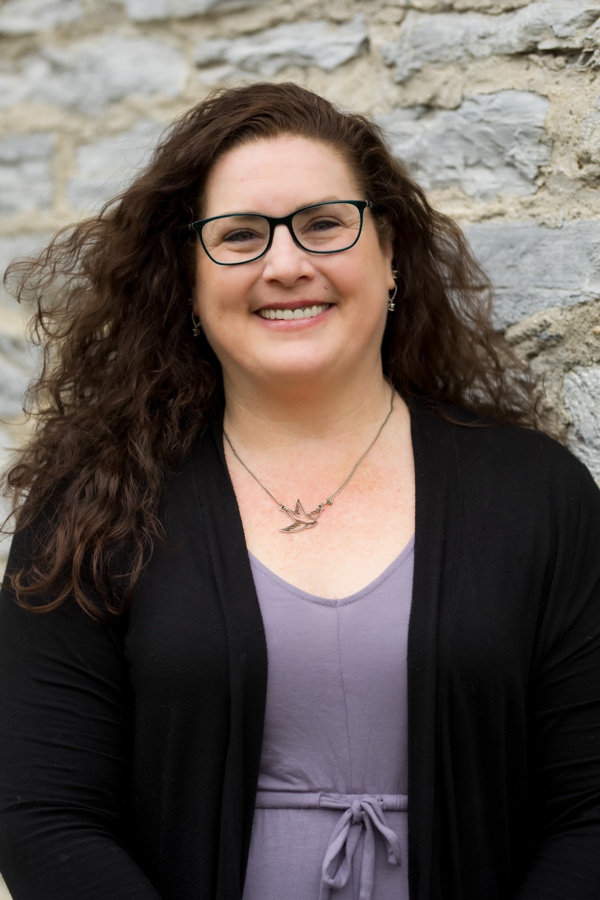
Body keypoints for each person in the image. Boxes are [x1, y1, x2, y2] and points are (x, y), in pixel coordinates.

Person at [0, 82, 599, 900]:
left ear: (388, 251)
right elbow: (44, 819)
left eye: (324, 223)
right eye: (239, 235)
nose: (286, 265)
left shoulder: (540, 496)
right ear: (188, 281)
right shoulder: (92, 509)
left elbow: (590, 816)